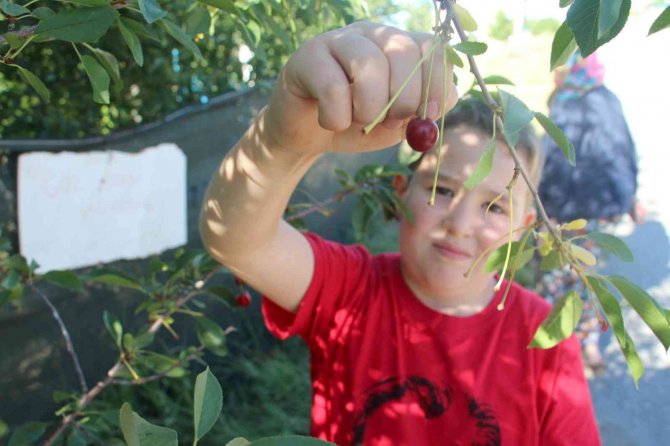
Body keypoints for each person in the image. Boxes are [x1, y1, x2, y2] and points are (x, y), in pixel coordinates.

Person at [200, 22, 601, 445]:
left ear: (522, 228)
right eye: (441, 190)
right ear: (400, 193)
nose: (460, 224)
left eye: (494, 206)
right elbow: (238, 240)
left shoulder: (545, 336)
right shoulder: (351, 291)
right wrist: (284, 140)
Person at [538, 52, 642, 376]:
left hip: (567, 207)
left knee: (559, 275)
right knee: (588, 276)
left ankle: (561, 342)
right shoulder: (607, 98)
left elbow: (551, 155)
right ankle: (585, 345)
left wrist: (541, 203)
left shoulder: (562, 101)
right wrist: (630, 195)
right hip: (603, 204)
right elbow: (625, 148)